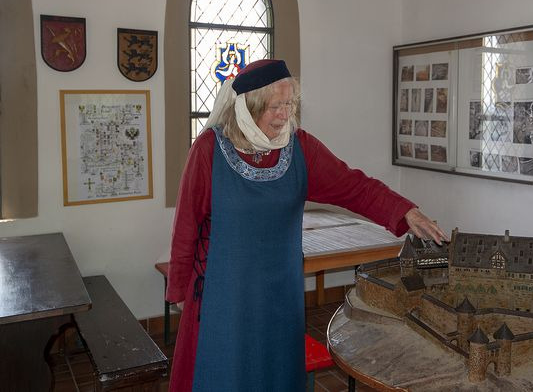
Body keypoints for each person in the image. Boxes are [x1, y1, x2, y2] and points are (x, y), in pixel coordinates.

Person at [166, 59, 447, 392]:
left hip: (280, 289)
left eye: (290, 104)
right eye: (275, 106)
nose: (285, 114)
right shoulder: (209, 150)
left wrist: (406, 211)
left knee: (276, 372)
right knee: (226, 372)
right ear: (249, 107)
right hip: (225, 292)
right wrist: (179, 288)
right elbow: (186, 225)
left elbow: (353, 186)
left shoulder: (300, 148)